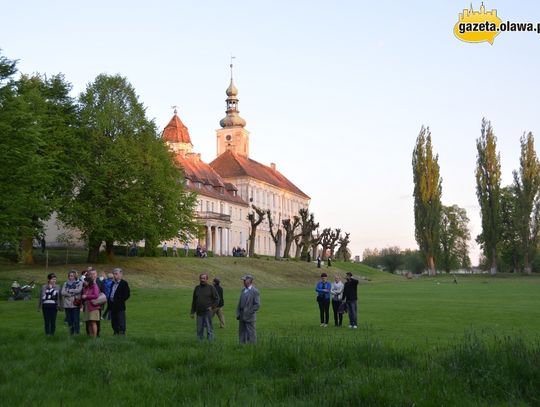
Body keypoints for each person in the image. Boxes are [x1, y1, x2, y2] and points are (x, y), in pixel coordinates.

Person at [190, 273, 219, 340]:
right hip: (199, 312)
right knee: (199, 329)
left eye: (204, 278)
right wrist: (192, 312)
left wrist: (212, 307)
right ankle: (200, 343)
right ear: (199, 279)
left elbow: (217, 299)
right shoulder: (197, 288)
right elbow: (194, 300)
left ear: (207, 279)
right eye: (201, 278)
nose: (202, 280)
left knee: (209, 328)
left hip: (208, 312)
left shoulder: (211, 288)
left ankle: (210, 343)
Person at [236, 274, 260, 344]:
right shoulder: (243, 290)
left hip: (250, 316)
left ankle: (252, 346)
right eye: (243, 280)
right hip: (241, 315)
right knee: (242, 331)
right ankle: (242, 346)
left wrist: (249, 312)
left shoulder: (255, 291)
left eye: (244, 280)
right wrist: (238, 313)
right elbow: (240, 302)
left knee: (251, 332)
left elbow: (257, 304)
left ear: (249, 281)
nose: (243, 281)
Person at [109, 268, 131, 335]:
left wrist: (120, 301)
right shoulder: (113, 283)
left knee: (121, 320)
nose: (114, 275)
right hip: (112, 305)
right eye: (114, 274)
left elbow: (127, 294)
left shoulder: (124, 283)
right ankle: (115, 332)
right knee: (114, 320)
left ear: (121, 274)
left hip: (120, 306)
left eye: (116, 274)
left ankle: (122, 333)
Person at [61, 270, 83, 335]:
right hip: (67, 304)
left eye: (72, 276)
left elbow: (79, 290)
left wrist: (69, 290)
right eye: (69, 276)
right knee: (69, 320)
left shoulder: (79, 283)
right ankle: (71, 332)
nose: (71, 277)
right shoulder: (65, 283)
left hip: (75, 303)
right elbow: (62, 292)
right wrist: (70, 294)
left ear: (75, 276)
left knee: (76, 319)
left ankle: (77, 333)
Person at [82, 271, 101, 337]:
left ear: (89, 282)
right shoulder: (85, 288)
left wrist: (87, 296)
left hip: (93, 307)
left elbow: (96, 295)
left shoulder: (94, 286)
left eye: (85, 281)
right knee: (89, 322)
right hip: (87, 306)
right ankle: (90, 336)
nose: (84, 283)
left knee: (93, 322)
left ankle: (95, 337)